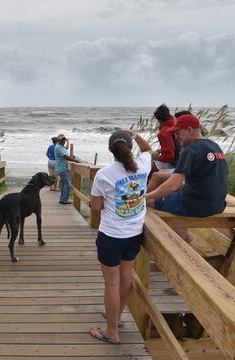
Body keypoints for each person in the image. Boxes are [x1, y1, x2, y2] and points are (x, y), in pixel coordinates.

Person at [88, 129, 153, 345]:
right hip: (134, 233)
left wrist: (108, 202)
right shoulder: (143, 165)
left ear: (110, 150)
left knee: (111, 285)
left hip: (112, 235)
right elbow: (148, 149)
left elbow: (96, 207)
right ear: (130, 147)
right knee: (126, 278)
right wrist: (136, 135)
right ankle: (116, 316)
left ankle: (111, 331)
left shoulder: (104, 174)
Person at [145, 114, 228, 240]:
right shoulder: (215, 146)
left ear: (189, 130)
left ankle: (182, 236)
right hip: (218, 204)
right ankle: (182, 232)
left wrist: (146, 196)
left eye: (178, 133)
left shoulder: (190, 150)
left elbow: (173, 185)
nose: (176, 137)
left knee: (147, 203)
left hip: (195, 205)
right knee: (170, 191)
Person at [152, 104, 179, 170]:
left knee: (149, 167)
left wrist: (157, 159)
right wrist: (161, 151)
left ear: (158, 119)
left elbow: (170, 156)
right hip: (183, 160)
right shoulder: (177, 124)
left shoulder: (163, 133)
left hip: (174, 164)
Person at [54, 133, 78, 204]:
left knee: (65, 184)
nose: (63, 141)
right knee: (67, 184)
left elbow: (67, 148)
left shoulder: (61, 146)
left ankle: (62, 199)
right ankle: (64, 200)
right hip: (62, 168)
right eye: (62, 140)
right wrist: (76, 161)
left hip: (61, 168)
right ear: (58, 140)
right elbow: (66, 157)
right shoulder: (58, 147)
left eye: (64, 139)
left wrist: (68, 141)